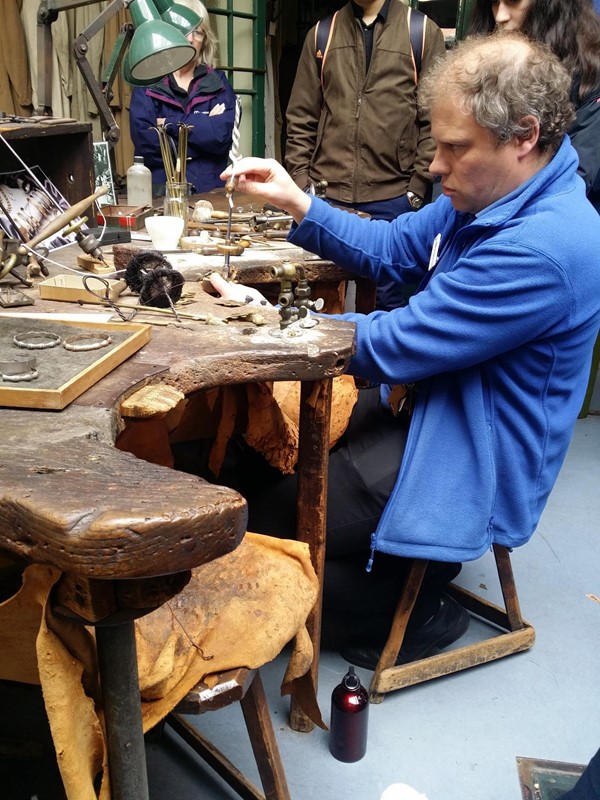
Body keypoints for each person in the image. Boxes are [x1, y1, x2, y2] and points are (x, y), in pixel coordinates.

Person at [215, 32, 600, 667]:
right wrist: (297, 200)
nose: (435, 166)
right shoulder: (492, 196)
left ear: (525, 136)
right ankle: (397, 572)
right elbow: (393, 246)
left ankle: (421, 606)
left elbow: (397, 342)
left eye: (455, 148)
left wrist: (278, 324)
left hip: (472, 447)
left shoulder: (546, 246)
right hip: (428, 406)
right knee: (256, 481)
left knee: (262, 542)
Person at [284, 0, 446, 309]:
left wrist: (416, 189)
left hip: (392, 196)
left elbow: (434, 120)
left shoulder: (421, 31)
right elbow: (300, 118)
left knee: (384, 305)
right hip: (328, 194)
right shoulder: (322, 34)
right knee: (322, 297)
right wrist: (302, 184)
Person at [468, 0, 600, 212]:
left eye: (513, 2)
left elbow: (576, 176)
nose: (500, 16)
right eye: (493, 3)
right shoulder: (486, 66)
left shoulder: (590, 76)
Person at [129, 0, 235, 195]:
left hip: (209, 193)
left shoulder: (217, 82)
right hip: (161, 192)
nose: (191, 38)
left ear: (205, 40)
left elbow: (221, 138)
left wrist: (167, 125)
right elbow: (146, 145)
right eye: (184, 29)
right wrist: (203, 126)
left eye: (198, 32)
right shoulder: (148, 82)